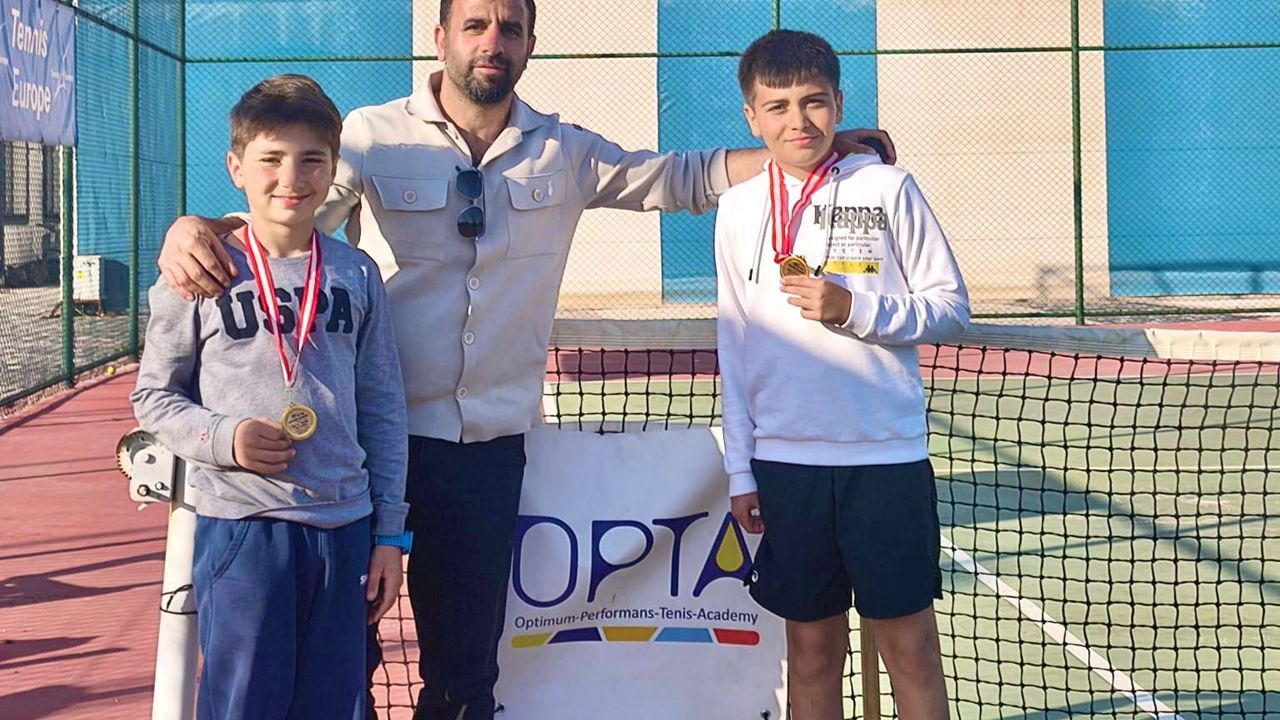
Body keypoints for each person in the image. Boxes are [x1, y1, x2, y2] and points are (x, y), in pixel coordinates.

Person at [157, 2, 895, 718]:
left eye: (510, 28)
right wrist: (199, 226)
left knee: (464, 676)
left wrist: (801, 148)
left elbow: (680, 177)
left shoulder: (565, 150)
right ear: (441, 36)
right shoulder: (372, 137)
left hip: (486, 453)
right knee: (343, 665)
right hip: (369, 449)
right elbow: (285, 213)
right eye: (475, 25)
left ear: (530, 43)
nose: (493, 41)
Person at [131, 74, 412, 720]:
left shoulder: (356, 273)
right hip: (244, 529)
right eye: (271, 159)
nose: (291, 177)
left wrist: (390, 535)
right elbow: (154, 396)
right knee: (244, 704)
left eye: (312, 159)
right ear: (236, 168)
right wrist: (224, 439)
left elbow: (382, 408)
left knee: (337, 705)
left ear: (333, 170)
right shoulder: (196, 271)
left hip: (344, 528)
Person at [715, 30, 968, 720]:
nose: (797, 120)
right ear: (751, 118)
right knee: (810, 653)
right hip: (785, 466)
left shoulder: (888, 187)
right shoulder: (737, 208)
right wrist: (740, 470)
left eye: (813, 101)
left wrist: (854, 308)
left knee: (910, 648)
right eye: (777, 106)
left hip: (884, 459)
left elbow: (950, 308)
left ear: (838, 103)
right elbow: (734, 345)